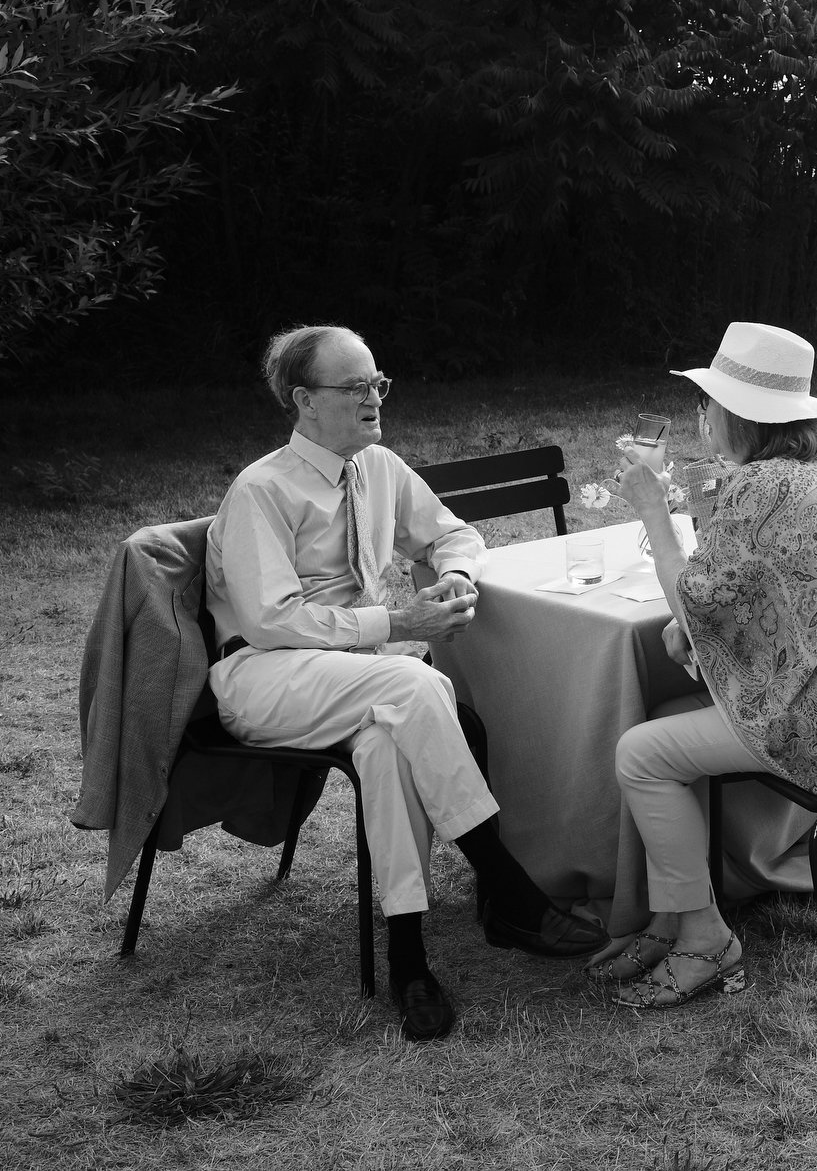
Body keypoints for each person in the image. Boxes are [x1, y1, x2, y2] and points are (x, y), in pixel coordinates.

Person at [206, 324, 605, 1041]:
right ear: (303, 401)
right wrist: (397, 622)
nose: (373, 399)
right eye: (353, 387)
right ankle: (506, 888)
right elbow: (270, 622)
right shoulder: (261, 490)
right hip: (263, 675)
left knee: (387, 748)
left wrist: (452, 574)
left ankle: (408, 960)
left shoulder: (379, 467)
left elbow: (453, 533)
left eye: (377, 383)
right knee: (416, 688)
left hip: (361, 678)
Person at [598, 321, 817, 1009]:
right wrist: (697, 629)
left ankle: (705, 941)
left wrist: (655, 508)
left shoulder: (762, 488)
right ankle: (670, 914)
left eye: (707, 403)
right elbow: (767, 598)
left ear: (735, 415)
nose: (700, 416)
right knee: (663, 719)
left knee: (639, 753)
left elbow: (696, 599)